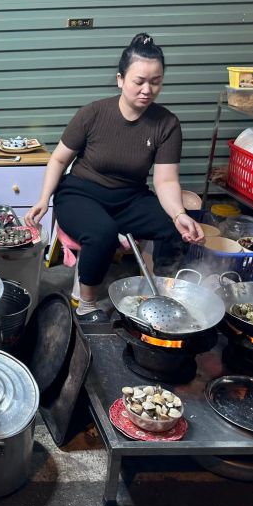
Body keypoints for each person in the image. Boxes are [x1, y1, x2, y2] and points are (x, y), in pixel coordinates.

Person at [25, 33, 204, 317]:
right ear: (121, 79)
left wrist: (179, 214)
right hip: (80, 193)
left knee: (174, 227)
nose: (147, 89)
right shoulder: (93, 114)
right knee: (102, 233)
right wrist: (43, 199)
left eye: (155, 82)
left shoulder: (166, 124)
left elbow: (165, 180)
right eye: (139, 81)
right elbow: (59, 159)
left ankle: (163, 293)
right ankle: (86, 304)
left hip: (130, 197)